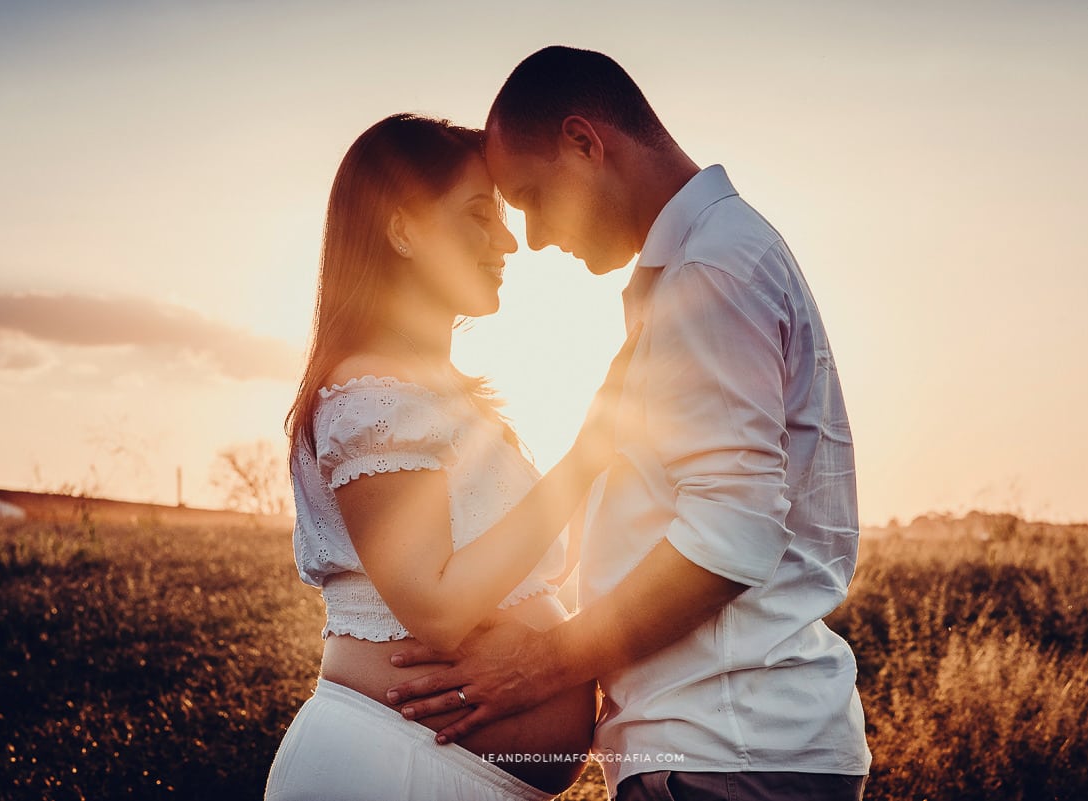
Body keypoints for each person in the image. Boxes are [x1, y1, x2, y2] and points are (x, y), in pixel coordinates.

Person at [386, 47, 872, 800]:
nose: (537, 237)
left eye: (531, 197)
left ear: (585, 143)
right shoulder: (710, 259)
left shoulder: (709, 271)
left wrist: (539, 665)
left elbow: (729, 535)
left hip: (722, 755)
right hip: (723, 751)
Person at [265, 113, 637, 801]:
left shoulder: (425, 394)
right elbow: (435, 606)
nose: (506, 242)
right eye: (478, 215)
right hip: (394, 769)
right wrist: (584, 459)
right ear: (402, 229)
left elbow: (518, 564)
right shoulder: (372, 394)